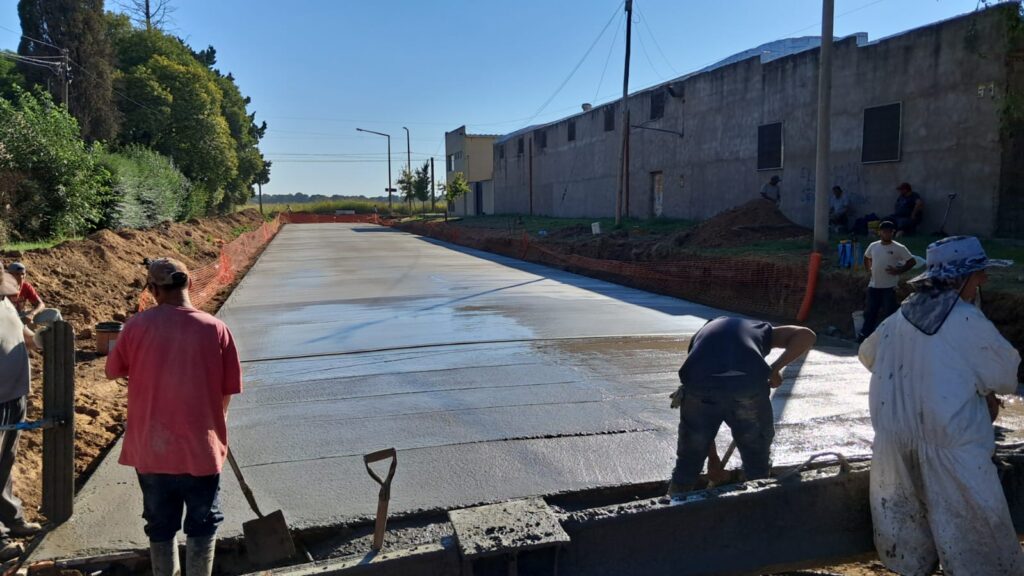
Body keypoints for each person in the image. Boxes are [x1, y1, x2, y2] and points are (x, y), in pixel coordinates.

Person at [858, 235, 1021, 575]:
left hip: (893, 442)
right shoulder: (966, 320)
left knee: (909, 540)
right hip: (953, 448)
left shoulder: (897, 319)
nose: (984, 280)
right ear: (961, 278)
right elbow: (1006, 375)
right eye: (978, 274)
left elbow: (867, 355)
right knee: (980, 546)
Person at [105, 258, 242, 576]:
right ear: (190, 284)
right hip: (201, 450)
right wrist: (214, 430)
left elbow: (113, 371)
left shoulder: (136, 326)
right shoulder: (215, 328)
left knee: (160, 524)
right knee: (203, 522)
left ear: (153, 290)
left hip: (152, 451)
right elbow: (228, 390)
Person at [667, 317, 816, 495]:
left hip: (699, 384)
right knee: (756, 459)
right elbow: (806, 335)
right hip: (748, 386)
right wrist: (774, 369)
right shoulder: (760, 328)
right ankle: (756, 502)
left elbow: (701, 428)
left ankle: (672, 506)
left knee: (689, 459)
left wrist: (712, 461)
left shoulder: (701, 337)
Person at [0, 270, 42, 561]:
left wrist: (46, 338)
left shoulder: (5, 302)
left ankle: (11, 518)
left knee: (5, 462)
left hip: (15, 396)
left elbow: (24, 335)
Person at [858, 221, 914, 342]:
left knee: (890, 312)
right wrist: (869, 270)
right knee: (870, 311)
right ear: (880, 232)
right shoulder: (874, 246)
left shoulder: (898, 248)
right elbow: (866, 257)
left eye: (890, 232)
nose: (887, 234)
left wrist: (899, 270)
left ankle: (891, 337)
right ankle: (865, 335)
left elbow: (911, 261)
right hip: (874, 285)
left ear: (893, 232)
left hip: (890, 286)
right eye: (884, 232)